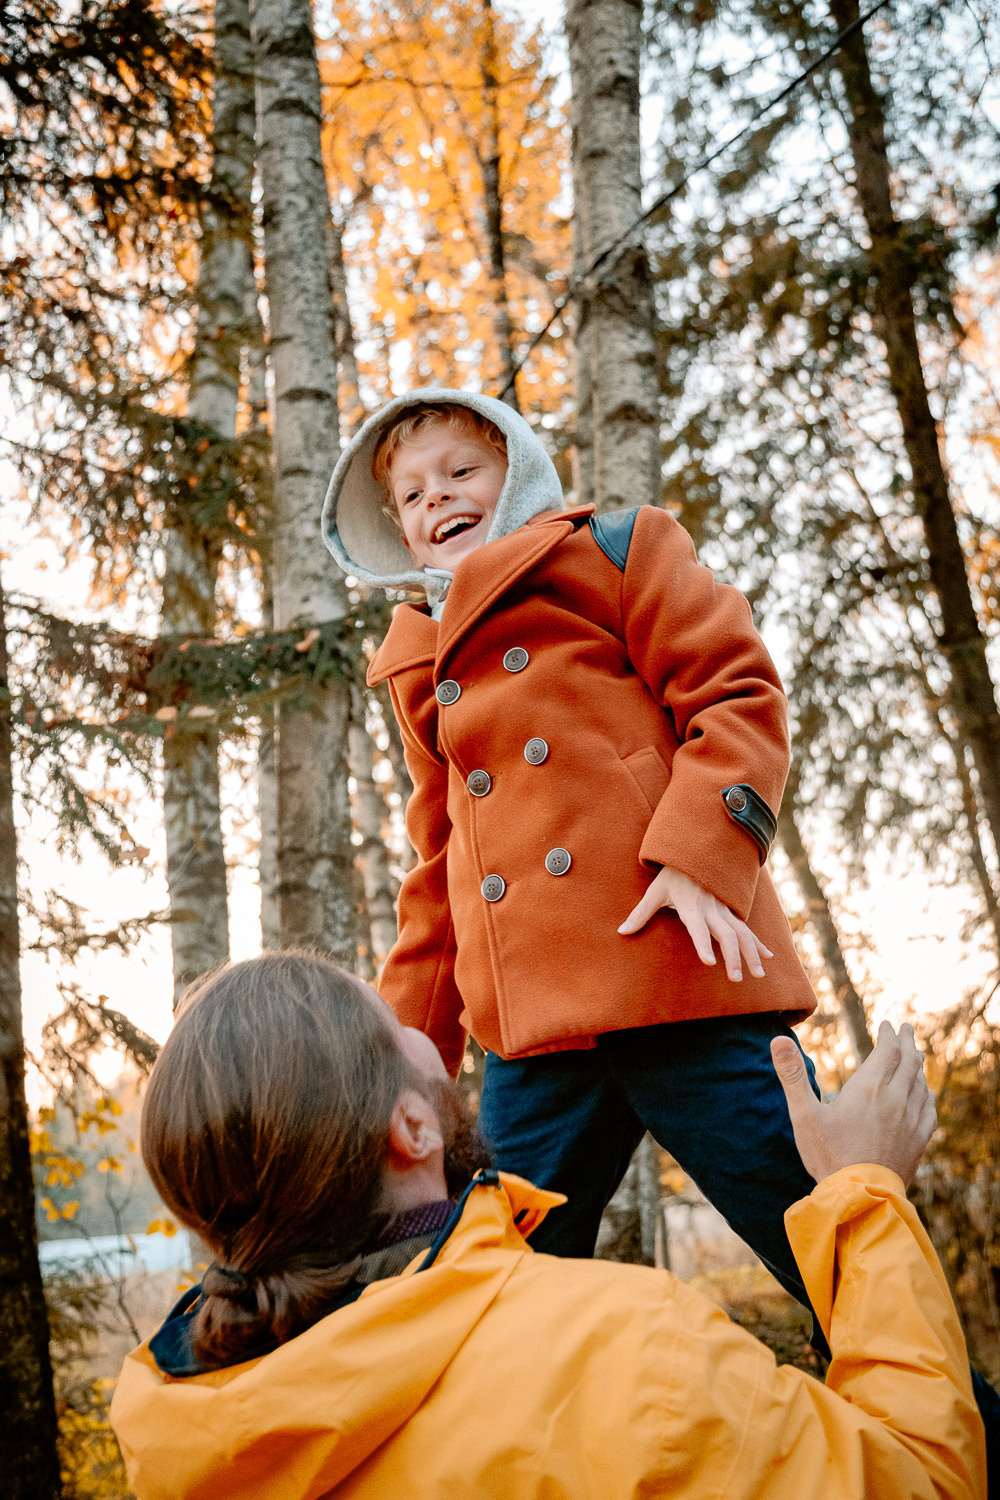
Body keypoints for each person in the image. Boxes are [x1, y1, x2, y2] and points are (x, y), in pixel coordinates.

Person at [109, 952, 985, 1499]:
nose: (433, 1036)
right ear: (409, 1129)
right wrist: (866, 1198)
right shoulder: (635, 1359)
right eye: (396, 1027)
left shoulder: (177, 1431)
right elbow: (926, 1481)